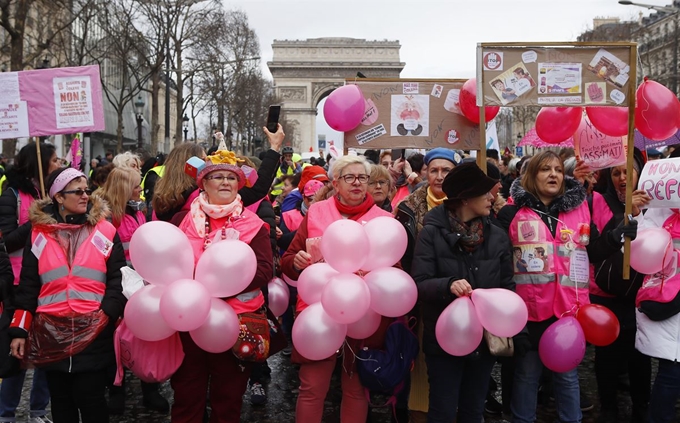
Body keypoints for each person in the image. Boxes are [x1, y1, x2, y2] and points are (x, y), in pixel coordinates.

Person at [496, 151, 635, 423]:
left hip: (569, 309)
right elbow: (501, 265)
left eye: (558, 170)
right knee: (527, 374)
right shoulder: (512, 212)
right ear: (532, 175)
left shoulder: (579, 208)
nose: (553, 175)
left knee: (568, 375)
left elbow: (593, 250)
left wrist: (617, 236)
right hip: (530, 311)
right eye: (545, 169)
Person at [9, 167, 127, 423]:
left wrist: (108, 311)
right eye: (77, 191)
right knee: (61, 403)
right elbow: (29, 285)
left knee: (92, 399)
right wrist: (19, 330)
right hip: (52, 333)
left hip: (95, 332)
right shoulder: (39, 234)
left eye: (87, 190)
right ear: (59, 198)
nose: (85, 196)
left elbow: (119, 278)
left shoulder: (105, 231)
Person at [281, 155, 393, 423]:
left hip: (363, 314)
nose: (357, 183)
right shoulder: (317, 212)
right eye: (349, 177)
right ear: (335, 183)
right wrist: (295, 262)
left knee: (355, 390)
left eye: (362, 178)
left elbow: (395, 269)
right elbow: (287, 259)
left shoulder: (384, 220)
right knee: (311, 388)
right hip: (318, 313)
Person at [172, 149, 272, 423]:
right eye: (218, 177)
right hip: (188, 322)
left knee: (227, 401)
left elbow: (264, 270)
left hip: (235, 324)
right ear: (203, 183)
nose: (226, 182)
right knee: (186, 396)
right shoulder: (181, 220)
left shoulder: (254, 225)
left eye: (231, 177)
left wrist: (221, 286)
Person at [412, 162, 514, 423]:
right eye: (485, 193)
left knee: (473, 410)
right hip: (445, 341)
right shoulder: (431, 233)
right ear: (466, 199)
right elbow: (420, 283)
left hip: (483, 340)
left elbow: (507, 287)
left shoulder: (497, 236)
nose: (492, 197)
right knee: (443, 411)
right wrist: (447, 285)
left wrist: (514, 332)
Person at [95, 167, 170, 414]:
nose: (140, 189)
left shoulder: (138, 213)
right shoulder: (105, 218)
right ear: (123, 189)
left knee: (145, 337)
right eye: (136, 186)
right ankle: (116, 388)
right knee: (117, 338)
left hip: (142, 285)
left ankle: (151, 387)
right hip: (117, 286)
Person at [395, 147, 462, 423]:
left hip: (460, 299)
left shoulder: (469, 204)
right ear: (424, 172)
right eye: (433, 170)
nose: (438, 176)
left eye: (446, 171)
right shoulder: (408, 208)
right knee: (421, 368)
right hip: (422, 300)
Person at [589, 152, 652, 423]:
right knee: (607, 355)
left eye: (629, 171)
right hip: (607, 291)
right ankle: (609, 407)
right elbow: (596, 248)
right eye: (616, 173)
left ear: (641, 173)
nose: (623, 178)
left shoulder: (656, 202)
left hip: (642, 292)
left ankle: (641, 408)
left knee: (641, 355)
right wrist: (627, 214)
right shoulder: (599, 201)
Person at [0, 142, 60, 423]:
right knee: (17, 354)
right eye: (55, 161)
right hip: (18, 284)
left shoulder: (53, 195)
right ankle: (7, 414)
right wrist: (36, 219)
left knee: (46, 351)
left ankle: (39, 410)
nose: (59, 165)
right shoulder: (11, 195)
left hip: (49, 281)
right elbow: (7, 241)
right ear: (39, 164)